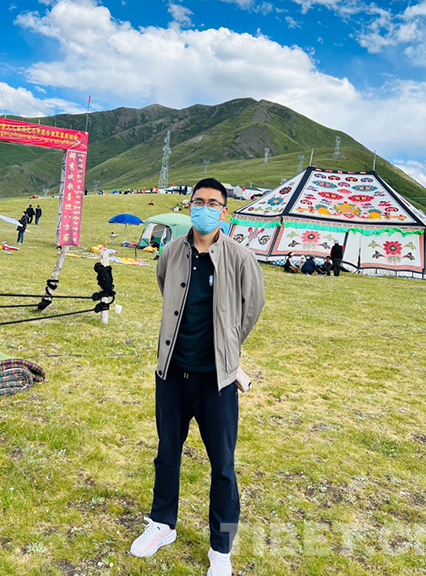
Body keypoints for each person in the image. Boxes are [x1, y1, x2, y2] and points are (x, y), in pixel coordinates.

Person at [130, 178, 265, 576]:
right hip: (172, 373)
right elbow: (165, 289)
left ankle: (221, 547)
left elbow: (252, 307)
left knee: (222, 464)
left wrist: (228, 345)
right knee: (167, 452)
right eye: (198, 201)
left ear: (224, 211)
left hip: (216, 381)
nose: (204, 208)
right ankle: (162, 524)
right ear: (190, 205)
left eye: (212, 203)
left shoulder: (240, 258)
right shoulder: (171, 252)